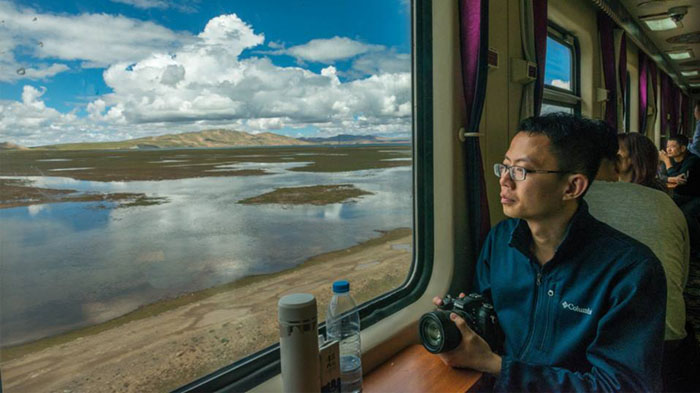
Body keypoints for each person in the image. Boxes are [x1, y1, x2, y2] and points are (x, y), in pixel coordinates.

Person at [433, 113, 666, 392]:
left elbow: (620, 387)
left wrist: (495, 365)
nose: (504, 181)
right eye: (504, 167)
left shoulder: (631, 271)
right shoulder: (500, 241)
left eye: (521, 171)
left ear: (572, 187)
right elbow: (492, 327)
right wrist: (464, 324)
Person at [582, 125, 692, 391]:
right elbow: (682, 276)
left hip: (595, 331)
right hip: (667, 336)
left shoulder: (582, 197)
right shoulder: (667, 205)